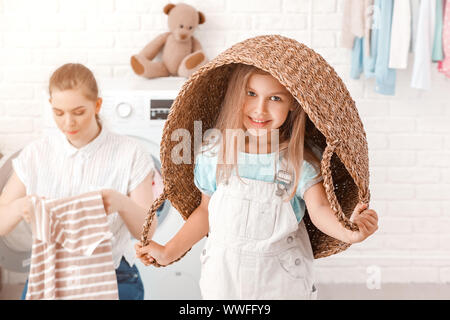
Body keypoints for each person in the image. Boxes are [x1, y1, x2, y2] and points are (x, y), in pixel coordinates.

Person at [135, 63, 378, 300]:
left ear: (292, 103)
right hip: (223, 277)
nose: (260, 109)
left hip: (281, 281)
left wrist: (348, 233)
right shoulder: (215, 154)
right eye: (251, 94)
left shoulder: (299, 161)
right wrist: (169, 251)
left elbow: (320, 210)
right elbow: (205, 211)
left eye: (275, 98)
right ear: (235, 96)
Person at [0, 63, 157, 300]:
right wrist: (22, 207)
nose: (68, 123)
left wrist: (122, 203)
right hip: (48, 273)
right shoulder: (36, 154)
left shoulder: (130, 152)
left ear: (97, 105)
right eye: (58, 113)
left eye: (78, 112)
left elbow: (148, 231)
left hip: (114, 272)